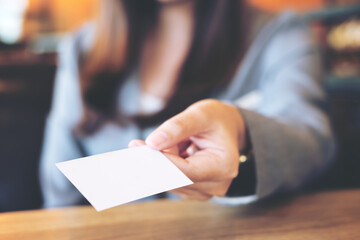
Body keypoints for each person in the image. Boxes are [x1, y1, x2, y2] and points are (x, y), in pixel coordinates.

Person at [40, 0, 334, 207]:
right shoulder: (80, 48)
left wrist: (242, 129)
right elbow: (59, 193)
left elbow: (312, 141)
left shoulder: (279, 36)